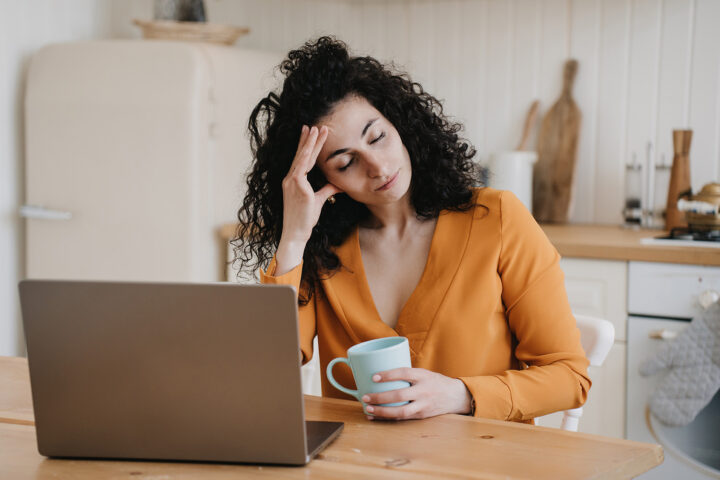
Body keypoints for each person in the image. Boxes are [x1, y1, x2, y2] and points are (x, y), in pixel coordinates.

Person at [233, 36, 590, 423]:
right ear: (320, 178)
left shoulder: (497, 219)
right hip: (361, 466)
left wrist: (462, 395)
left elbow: (569, 377)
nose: (378, 167)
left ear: (399, 124)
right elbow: (264, 372)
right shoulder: (317, 252)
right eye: (345, 161)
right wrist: (294, 236)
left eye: (377, 137)